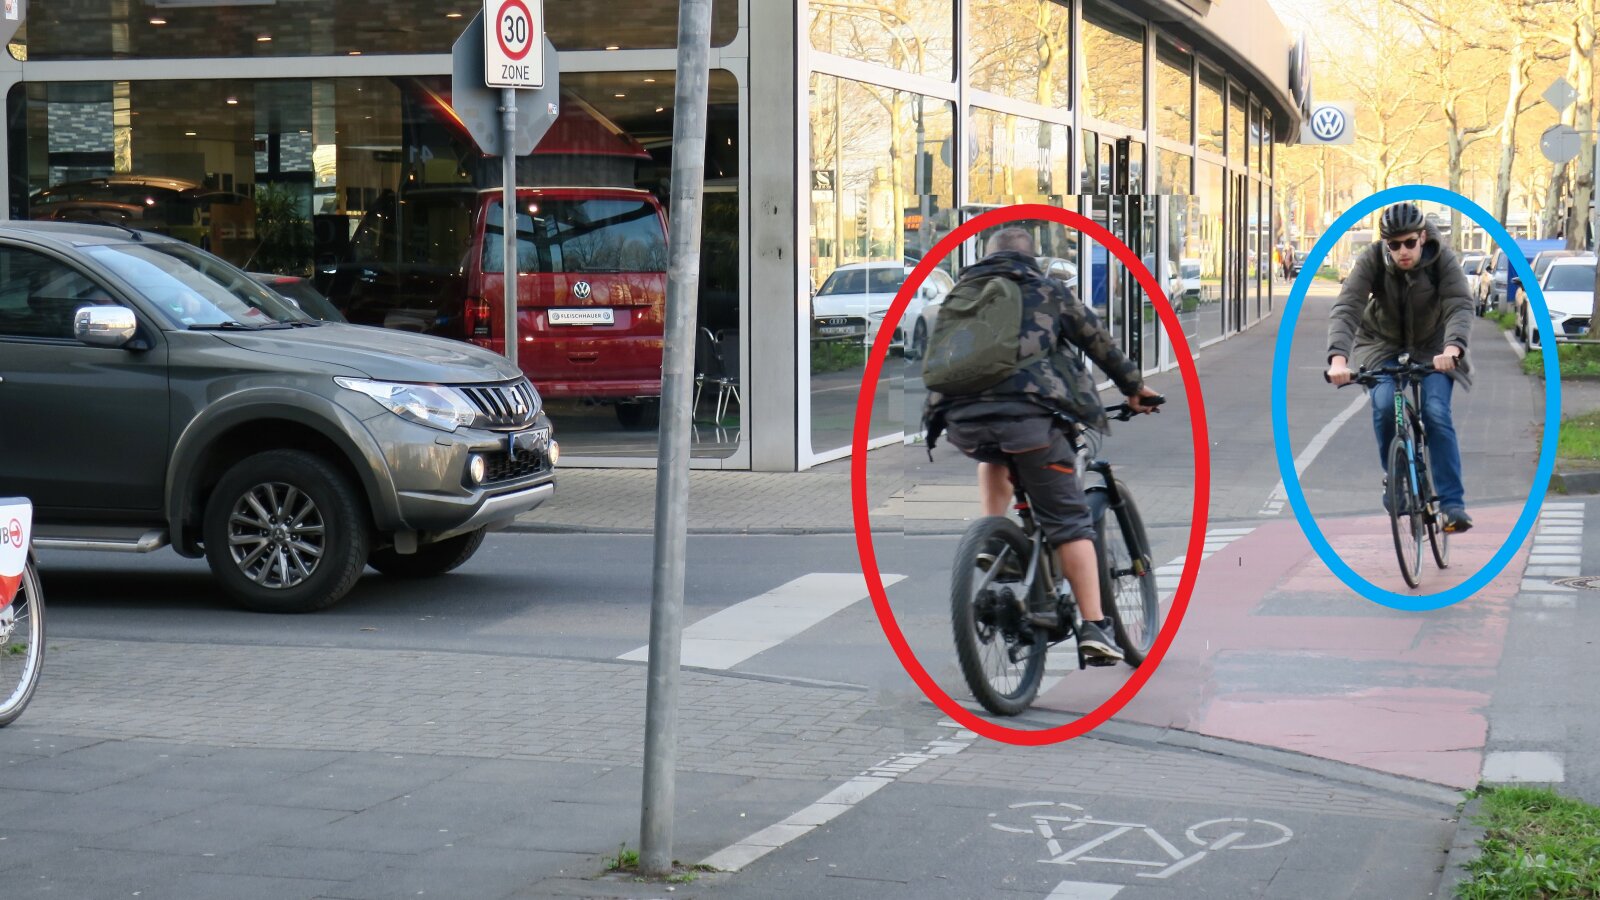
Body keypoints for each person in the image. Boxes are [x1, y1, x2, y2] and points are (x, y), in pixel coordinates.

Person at [924, 227, 1162, 662]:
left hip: (961, 420)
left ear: (987, 257)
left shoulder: (962, 295)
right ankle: (1095, 627)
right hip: (1030, 420)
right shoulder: (1048, 291)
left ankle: (993, 535)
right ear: (1032, 258)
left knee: (994, 452)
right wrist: (1135, 388)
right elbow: (1098, 342)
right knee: (1070, 523)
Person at [1326, 201, 1475, 532]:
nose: (1403, 251)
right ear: (1385, 244)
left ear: (1422, 237)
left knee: (1436, 413)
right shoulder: (1373, 260)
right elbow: (1348, 306)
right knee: (1383, 407)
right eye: (1394, 245)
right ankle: (1397, 481)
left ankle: (1452, 505)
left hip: (1435, 346)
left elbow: (1459, 304)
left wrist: (1452, 348)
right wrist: (1338, 358)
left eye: (1409, 242)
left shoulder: (1442, 259)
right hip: (1381, 343)